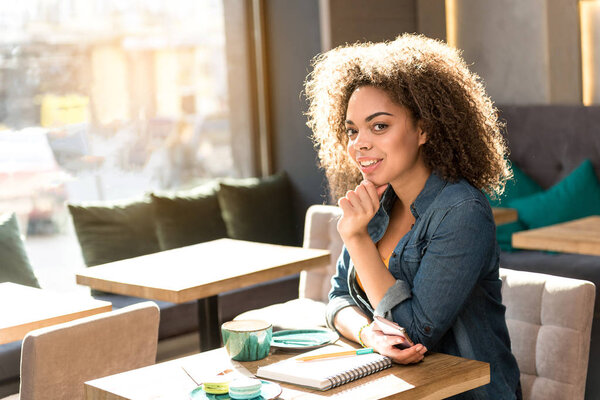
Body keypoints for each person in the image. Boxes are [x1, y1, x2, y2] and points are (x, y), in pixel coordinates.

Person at [304, 34, 521, 399]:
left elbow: (412, 334)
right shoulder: (377, 204)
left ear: (424, 129)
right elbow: (338, 299)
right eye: (352, 130)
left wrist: (357, 240)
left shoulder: (462, 212)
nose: (359, 144)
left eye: (380, 126)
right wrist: (368, 334)